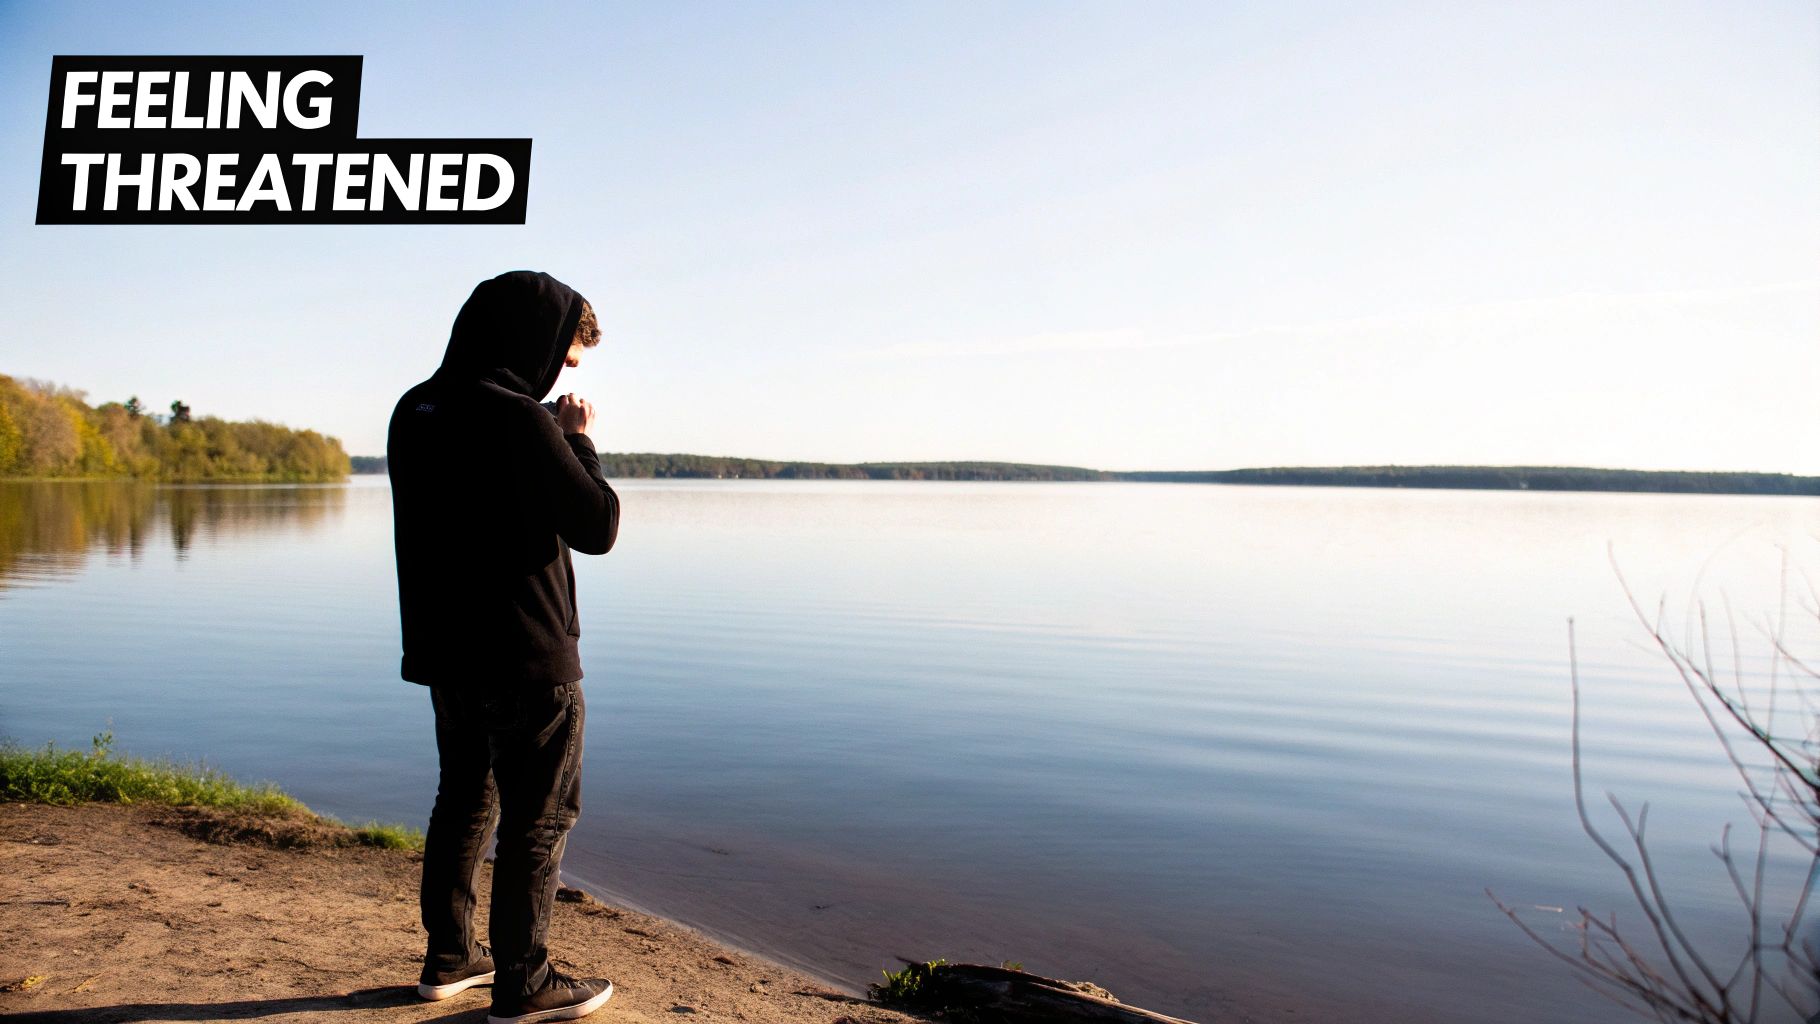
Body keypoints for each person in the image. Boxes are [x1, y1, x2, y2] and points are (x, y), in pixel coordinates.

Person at [387, 270, 620, 1024]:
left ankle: (451, 956)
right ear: (537, 341)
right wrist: (577, 440)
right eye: (564, 358)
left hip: (447, 652)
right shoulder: (519, 417)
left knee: (462, 801)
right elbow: (597, 526)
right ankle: (525, 981)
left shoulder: (415, 409)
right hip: (527, 655)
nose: (561, 375)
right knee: (539, 818)